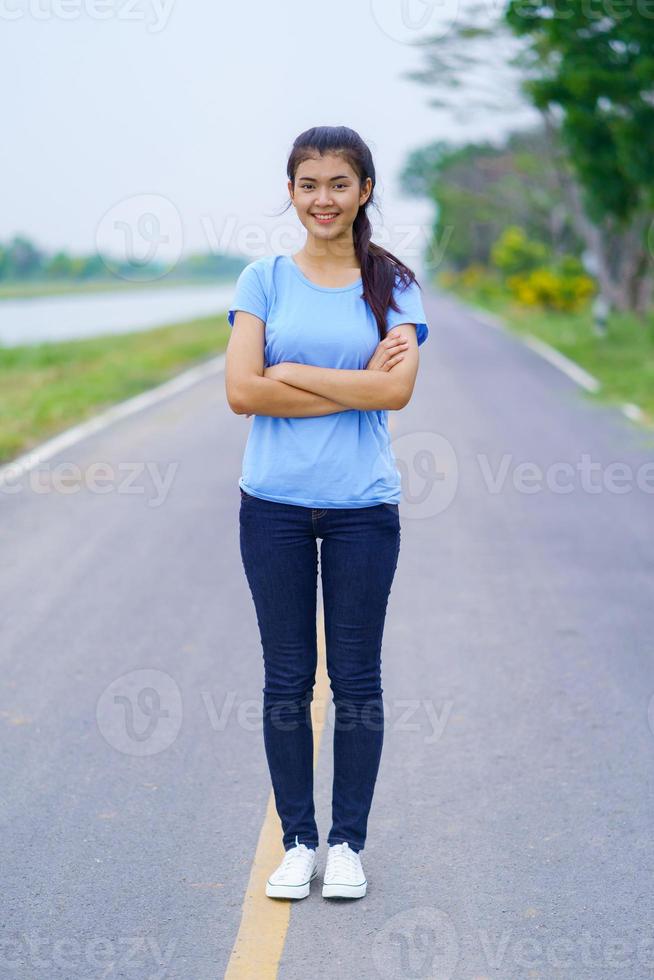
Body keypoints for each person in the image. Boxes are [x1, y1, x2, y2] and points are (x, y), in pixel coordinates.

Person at [225, 125, 429, 900]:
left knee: (355, 680)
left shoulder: (394, 285)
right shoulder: (263, 279)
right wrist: (349, 384)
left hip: (360, 510)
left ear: (365, 190)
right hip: (272, 506)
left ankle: (347, 844)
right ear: (291, 192)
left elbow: (396, 392)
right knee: (285, 681)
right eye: (308, 184)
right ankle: (298, 843)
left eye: (338, 184)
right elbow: (243, 392)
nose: (323, 199)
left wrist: (294, 372)